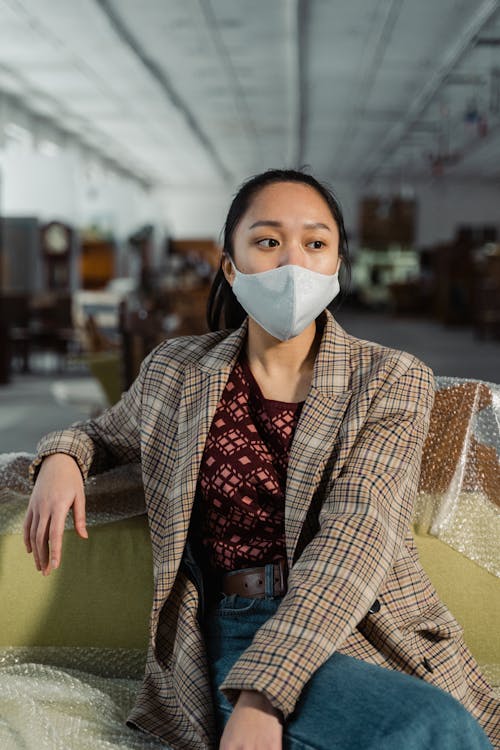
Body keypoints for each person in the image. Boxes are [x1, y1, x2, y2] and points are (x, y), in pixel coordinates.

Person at [24, 168, 498, 750]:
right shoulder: (176, 370)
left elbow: (360, 530)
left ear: (336, 266)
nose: (293, 264)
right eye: (268, 241)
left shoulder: (391, 377)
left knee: (437, 727)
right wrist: (62, 460)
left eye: (316, 244)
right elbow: (100, 433)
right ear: (231, 265)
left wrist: (265, 694)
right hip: (235, 624)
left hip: (364, 626)